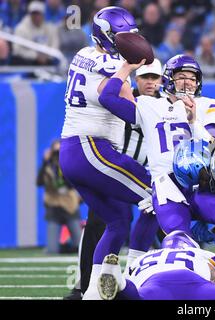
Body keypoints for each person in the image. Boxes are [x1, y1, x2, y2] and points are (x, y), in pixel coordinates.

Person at [98, 54, 215, 268]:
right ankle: (134, 274)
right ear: (168, 79)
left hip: (202, 182)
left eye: (192, 78)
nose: (187, 82)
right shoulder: (149, 105)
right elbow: (107, 98)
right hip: (167, 186)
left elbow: (214, 143)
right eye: (182, 76)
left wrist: (193, 122)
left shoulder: (208, 105)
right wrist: (126, 68)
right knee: (177, 239)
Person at [59, 6, 154, 300]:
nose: (129, 40)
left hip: (74, 152)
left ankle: (90, 293)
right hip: (91, 148)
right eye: (123, 36)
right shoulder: (112, 66)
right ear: (108, 37)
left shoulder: (84, 54)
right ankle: (138, 275)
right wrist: (157, 119)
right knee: (160, 194)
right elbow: (118, 102)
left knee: (117, 221)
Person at [96, 230, 215, 300]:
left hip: (155, 283)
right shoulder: (196, 253)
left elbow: (135, 281)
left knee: (137, 297)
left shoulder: (147, 256)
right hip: (191, 282)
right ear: (190, 245)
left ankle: (121, 284)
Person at [37, 139, 82, 254]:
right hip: (54, 207)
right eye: (55, 152)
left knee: (80, 246)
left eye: (59, 152)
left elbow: (72, 183)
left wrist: (65, 161)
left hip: (70, 207)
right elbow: (39, 182)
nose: (57, 155)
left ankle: (67, 247)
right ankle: (61, 247)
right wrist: (44, 162)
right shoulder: (48, 167)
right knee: (52, 250)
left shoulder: (69, 163)